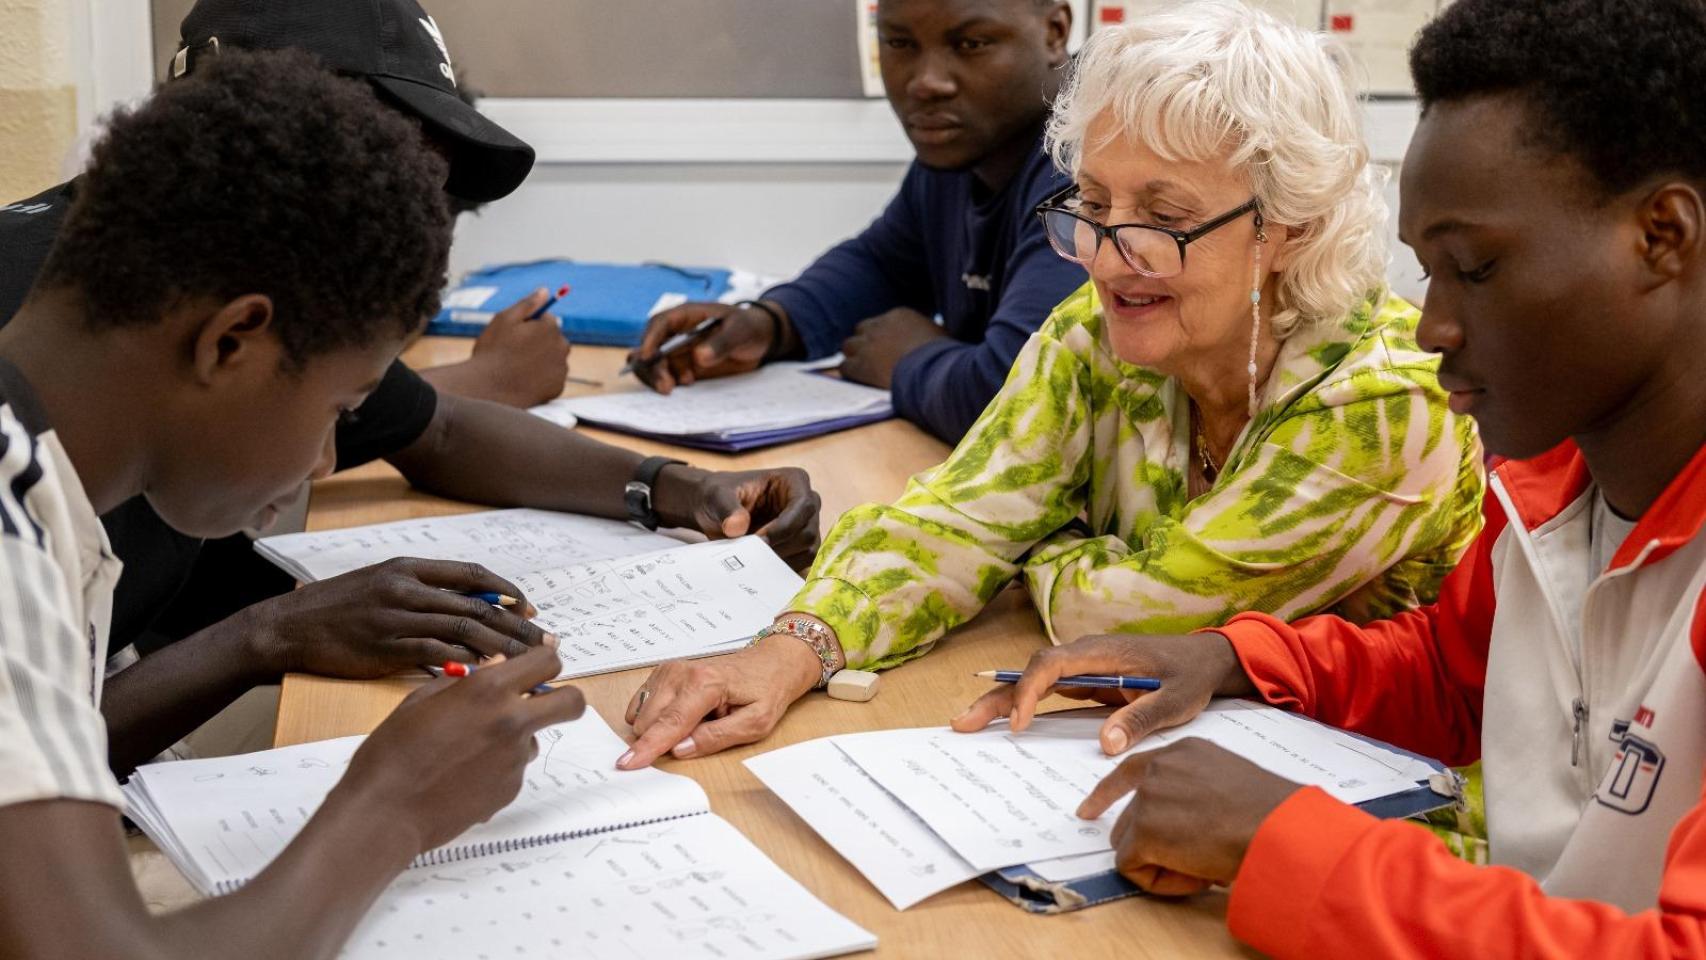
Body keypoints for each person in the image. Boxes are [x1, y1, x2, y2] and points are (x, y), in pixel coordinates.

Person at [955, 0, 1706, 953]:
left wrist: (1287, 843)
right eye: (1428, 272)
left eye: (1473, 269)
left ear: (1663, 236)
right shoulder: (1556, 484)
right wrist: (1236, 659)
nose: (1433, 326)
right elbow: (1452, 674)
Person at [619, 1, 1485, 770]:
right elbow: (952, 523)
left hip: (1369, 792)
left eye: (1166, 217)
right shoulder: (1099, 332)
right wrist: (784, 653)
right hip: (1158, 759)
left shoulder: (1389, 401)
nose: (1107, 257)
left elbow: (1141, 617)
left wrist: (1027, 546)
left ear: (1288, 227)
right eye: (1095, 204)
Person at [0, 0, 821, 775]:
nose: (412, 207)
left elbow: (438, 429)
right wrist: (280, 649)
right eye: (375, 152)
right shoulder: (91, 350)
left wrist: (672, 486)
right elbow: (49, 777)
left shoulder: (209, 309)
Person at [0, 49, 587, 959]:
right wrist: (392, 803)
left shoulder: (38, 481)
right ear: (233, 339)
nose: (321, 458)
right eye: (339, 409)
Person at [627, 0, 1089, 444]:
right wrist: (771, 324)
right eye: (900, 43)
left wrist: (909, 361)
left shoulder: (1097, 162)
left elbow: (1027, 406)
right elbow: (883, 264)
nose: (926, 83)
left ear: (1054, 32)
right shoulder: (971, 143)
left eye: (971, 44)